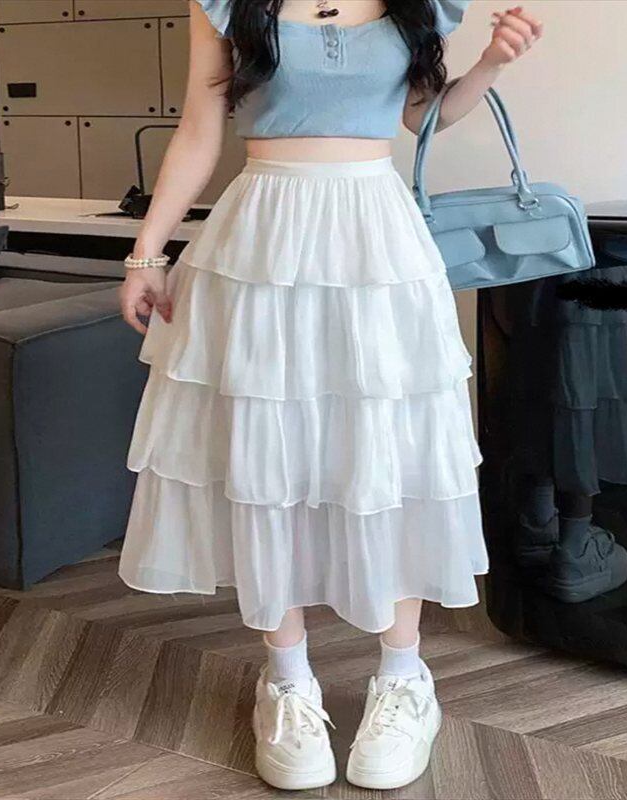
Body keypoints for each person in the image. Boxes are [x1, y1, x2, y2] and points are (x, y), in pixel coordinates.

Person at [118, 0, 543, 790]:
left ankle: (405, 679)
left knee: (391, 450)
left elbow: (421, 115)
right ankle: (286, 681)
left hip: (377, 236)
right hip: (261, 237)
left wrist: (490, 65)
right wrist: (146, 252)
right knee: (267, 456)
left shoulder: (420, 4)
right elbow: (199, 129)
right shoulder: (228, 5)